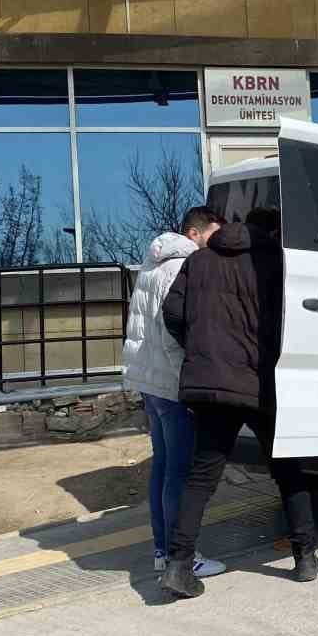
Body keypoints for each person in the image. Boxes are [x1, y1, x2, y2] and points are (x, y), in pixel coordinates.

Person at [159, 206, 318, 598]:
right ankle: (304, 557)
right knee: (288, 469)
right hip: (262, 382)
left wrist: (202, 351)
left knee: (201, 477)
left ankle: (178, 566)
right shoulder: (278, 264)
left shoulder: (199, 262)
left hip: (210, 383)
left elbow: (173, 313)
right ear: (273, 230)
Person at [122, 206, 228, 580]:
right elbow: (178, 327)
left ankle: (161, 549)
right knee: (180, 471)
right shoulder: (183, 265)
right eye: (213, 234)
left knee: (164, 466)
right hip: (172, 381)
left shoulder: (152, 263)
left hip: (148, 380)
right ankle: (182, 557)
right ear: (194, 233)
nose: (217, 243)